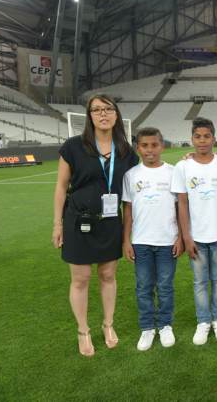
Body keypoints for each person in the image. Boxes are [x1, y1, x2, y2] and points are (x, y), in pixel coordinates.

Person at [52, 94, 138, 357]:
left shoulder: (126, 151)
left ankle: (108, 324)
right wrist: (57, 224)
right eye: (96, 110)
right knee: (80, 278)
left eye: (108, 109)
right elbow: (61, 186)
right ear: (89, 116)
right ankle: (83, 330)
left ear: (116, 114)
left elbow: (132, 195)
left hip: (110, 223)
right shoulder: (73, 146)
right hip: (78, 222)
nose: (103, 114)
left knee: (108, 275)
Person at [173, 118, 217, 345]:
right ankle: (203, 321)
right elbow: (181, 203)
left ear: (214, 138)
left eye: (206, 136)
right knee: (199, 281)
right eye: (197, 136)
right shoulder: (183, 167)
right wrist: (186, 237)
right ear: (192, 139)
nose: (202, 141)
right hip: (195, 237)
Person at [122, 127, 184, 351]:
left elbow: (180, 208)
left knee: (166, 286)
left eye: (154, 145)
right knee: (143, 287)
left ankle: (165, 325)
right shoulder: (131, 175)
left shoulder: (173, 172)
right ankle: (147, 327)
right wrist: (126, 240)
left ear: (162, 146)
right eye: (144, 146)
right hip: (141, 241)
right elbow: (127, 210)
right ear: (137, 148)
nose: (149, 150)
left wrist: (180, 238)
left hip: (168, 240)